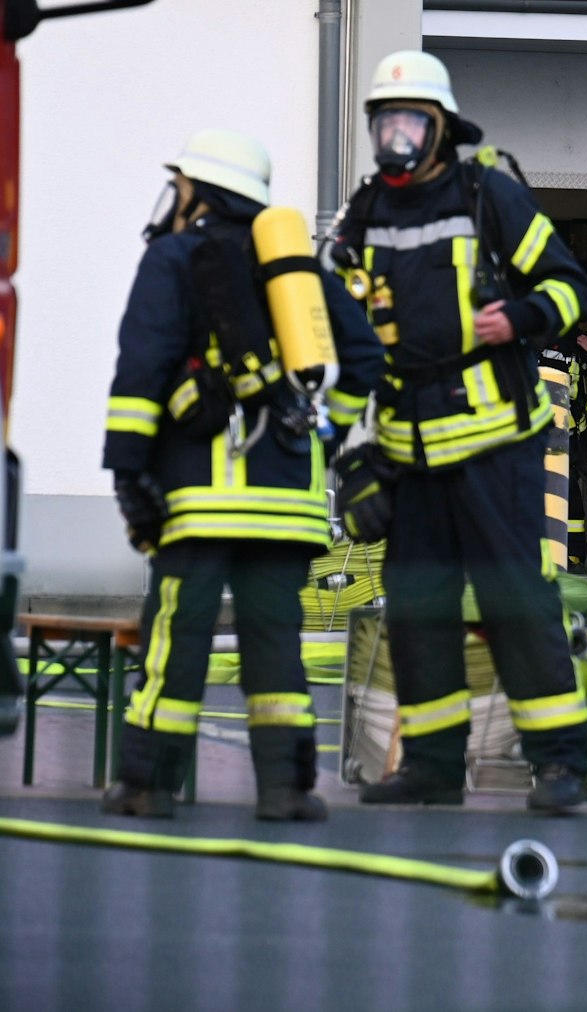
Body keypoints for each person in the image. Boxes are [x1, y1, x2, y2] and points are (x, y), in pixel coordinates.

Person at [328, 50, 587, 813]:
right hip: (408, 458)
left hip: (493, 450)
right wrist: (351, 462)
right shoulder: (363, 214)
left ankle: (561, 765)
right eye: (385, 123)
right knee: (418, 614)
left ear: (441, 129)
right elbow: (340, 342)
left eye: (410, 122)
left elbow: (572, 288)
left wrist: (520, 316)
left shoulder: (490, 197)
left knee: (515, 605)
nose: (396, 138)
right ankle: (434, 768)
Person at [101, 128, 384, 821]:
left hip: (200, 499)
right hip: (286, 504)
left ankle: (147, 786)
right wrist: (328, 431)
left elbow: (141, 369)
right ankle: (285, 792)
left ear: (199, 191)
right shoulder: (296, 271)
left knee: (176, 643)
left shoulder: (172, 259)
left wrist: (129, 474)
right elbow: (366, 360)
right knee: (275, 652)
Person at [537, 326, 587, 569]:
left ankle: (572, 555)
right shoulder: (525, 336)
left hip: (568, 436)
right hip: (529, 435)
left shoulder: (580, 340)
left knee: (569, 493)